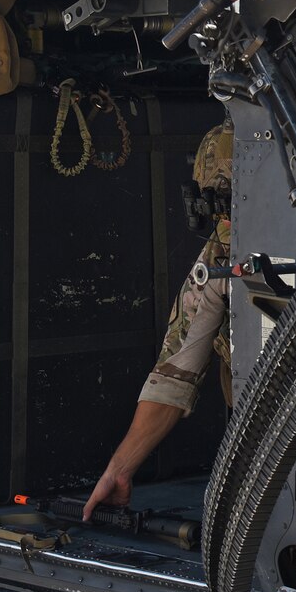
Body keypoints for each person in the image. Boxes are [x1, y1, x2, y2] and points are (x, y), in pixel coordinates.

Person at [83, 120, 233, 518]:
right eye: (219, 207)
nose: (227, 224)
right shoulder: (221, 259)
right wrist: (120, 469)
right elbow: (176, 369)